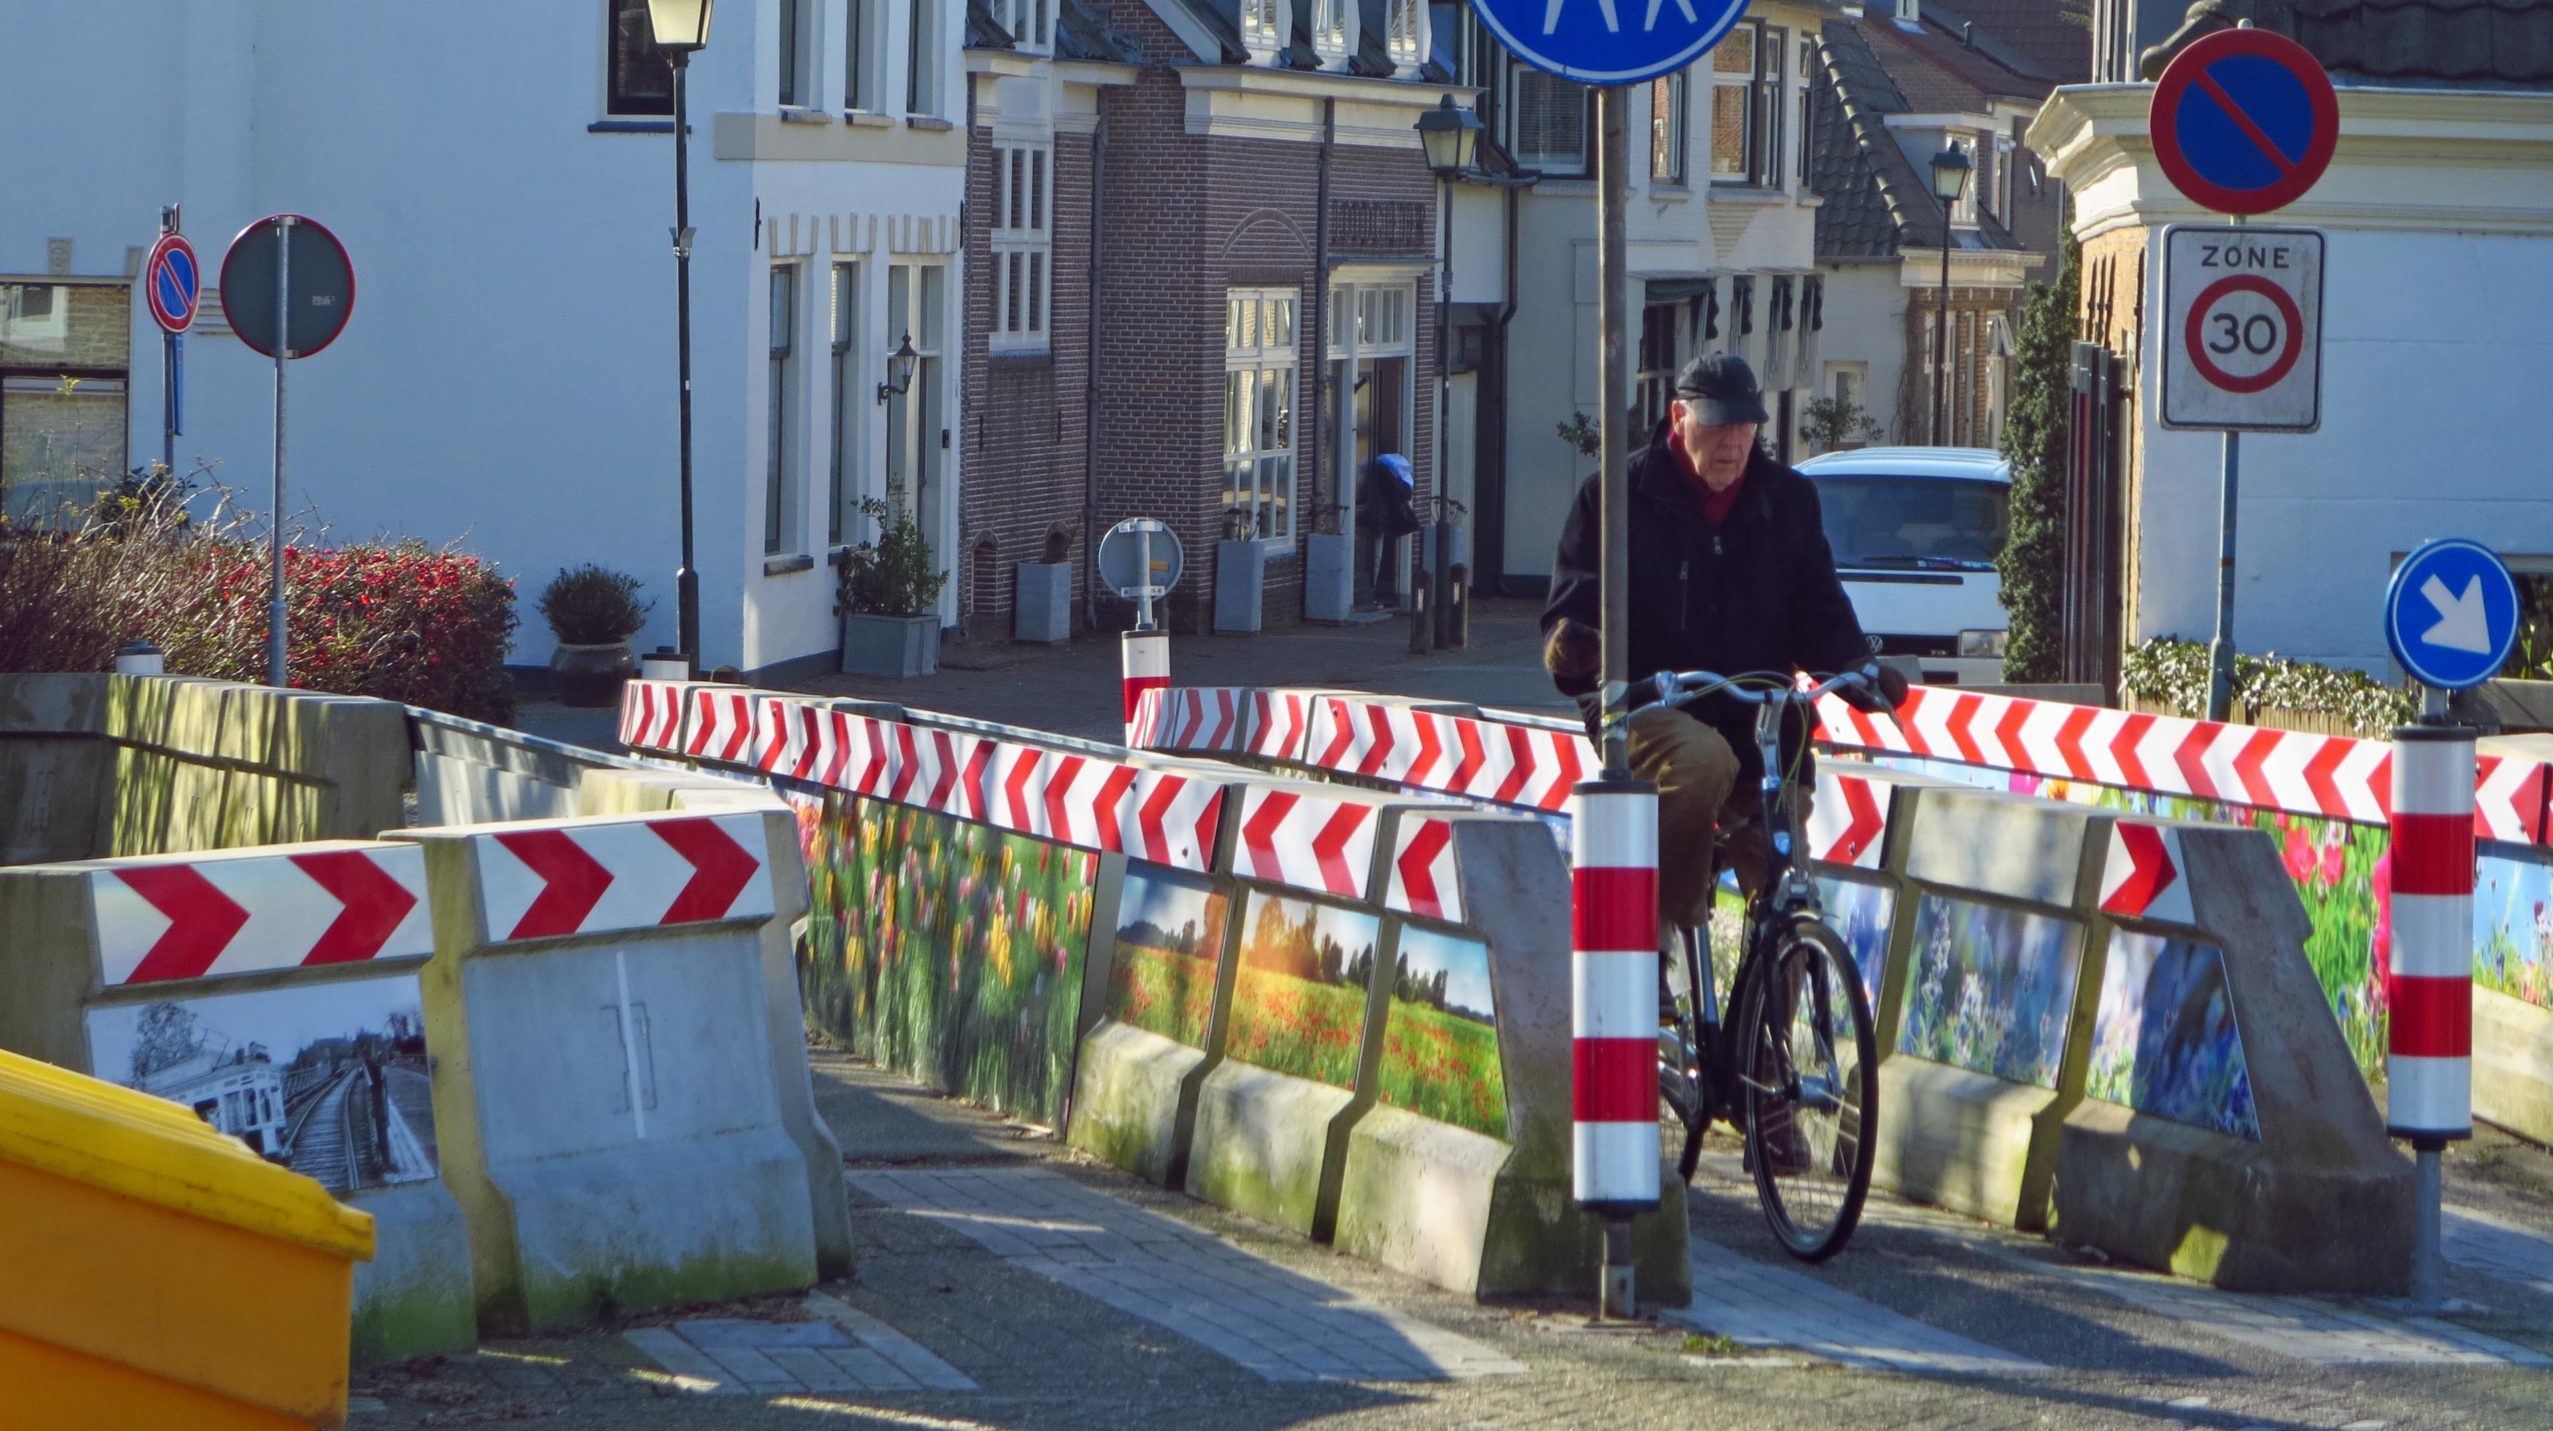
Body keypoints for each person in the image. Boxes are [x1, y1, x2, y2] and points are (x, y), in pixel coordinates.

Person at [1540, 353, 1906, 943]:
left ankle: (1785, 980)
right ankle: (1664, 935)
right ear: (1678, 416)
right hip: (1646, 707)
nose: (1733, 443)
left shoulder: (1788, 500)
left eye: (1746, 426)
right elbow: (1571, 610)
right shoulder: (1614, 496)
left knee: (1786, 894)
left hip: (1759, 726)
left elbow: (1819, 609)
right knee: (1701, 761)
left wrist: (1858, 668)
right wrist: (1576, 648)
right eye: (1717, 425)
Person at [1356, 452, 1420, 609]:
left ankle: (1371, 595)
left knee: (1373, 559)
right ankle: (1375, 595)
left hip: (1374, 523)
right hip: (1382, 524)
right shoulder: (1393, 481)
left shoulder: (1372, 477)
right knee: (1377, 559)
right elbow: (1405, 495)